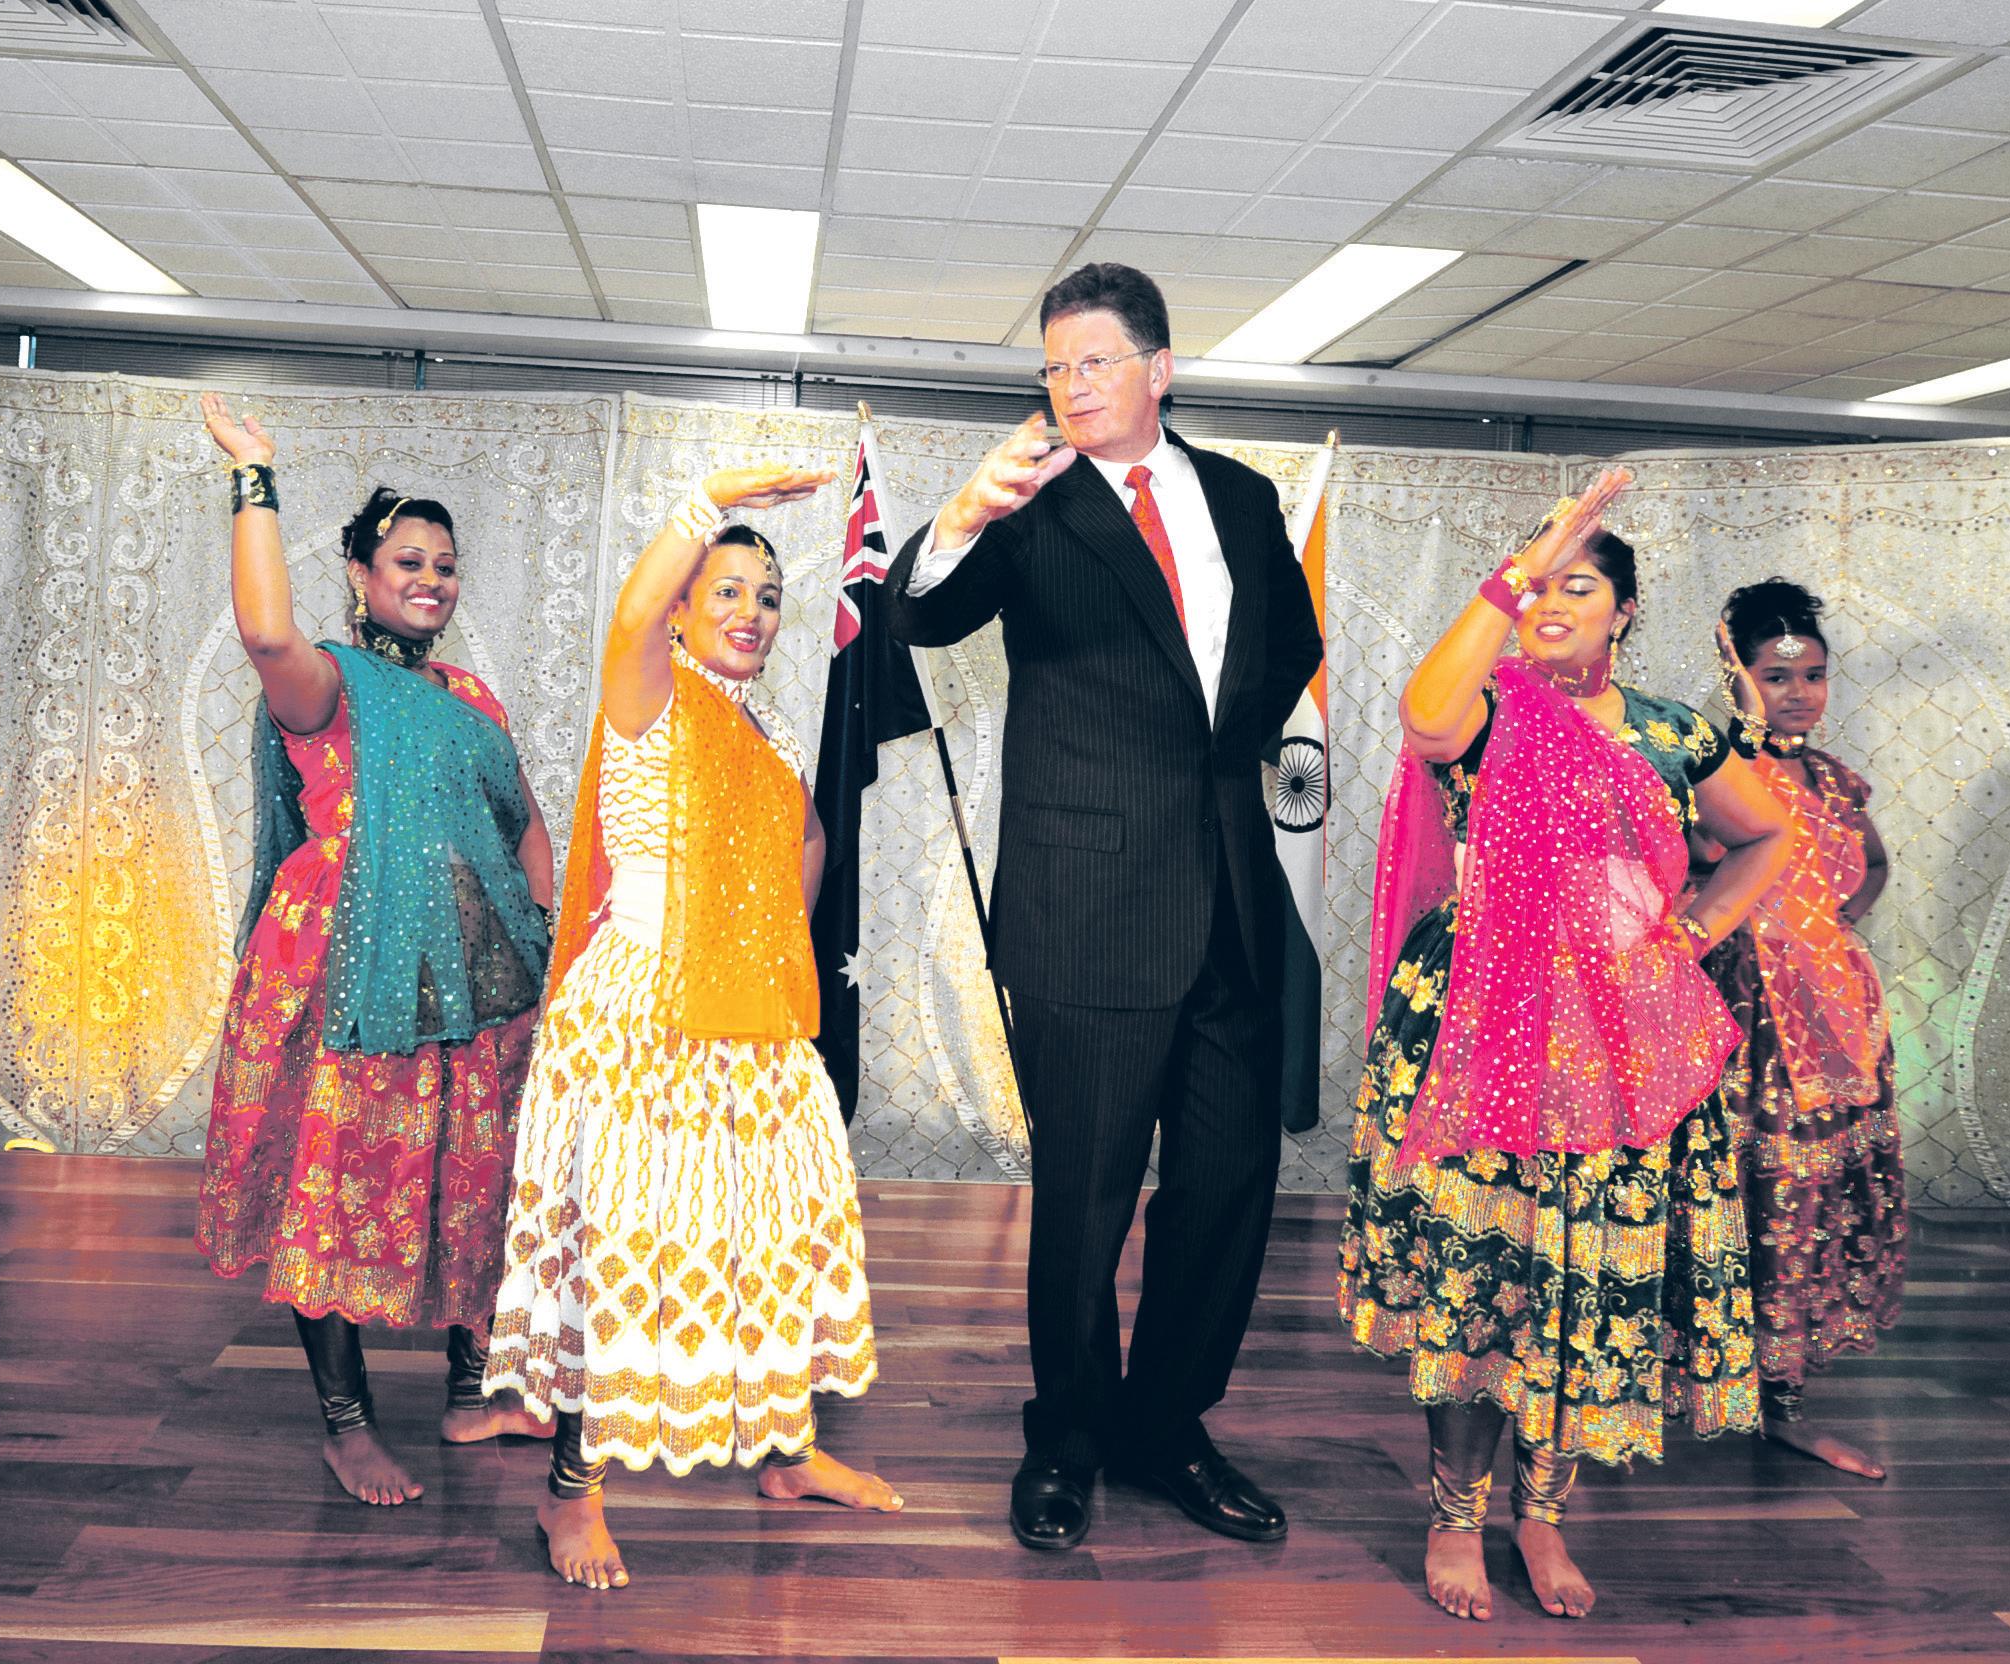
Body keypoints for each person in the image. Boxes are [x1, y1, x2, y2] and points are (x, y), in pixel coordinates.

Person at [885, 262, 1324, 1552]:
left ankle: (1167, 1425)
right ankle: (1069, 1435)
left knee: (1227, 1188)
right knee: (1085, 1199)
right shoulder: (1030, 503)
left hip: (1234, 901)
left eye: (1094, 361)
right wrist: (962, 513)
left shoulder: (1242, 498)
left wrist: (1218, 763)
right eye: (1053, 367)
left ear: (1159, 369)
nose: (1071, 385)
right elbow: (918, 615)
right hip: (1087, 908)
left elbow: (1288, 648)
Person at [1339, 474, 1796, 1621]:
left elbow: (1764, 835)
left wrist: (1692, 931)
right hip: (1478, 1021)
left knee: (1590, 1271)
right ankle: (1455, 1513)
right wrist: (1524, 563)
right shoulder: (1489, 710)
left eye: (1578, 584)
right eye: (1537, 584)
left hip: (1624, 1040)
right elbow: (1425, 717)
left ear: (1624, 610)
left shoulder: (1673, 731)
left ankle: (1542, 1513)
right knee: (1482, 1271)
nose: (1551, 600)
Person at [483, 466, 901, 1593]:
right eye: (726, 589)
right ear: (679, 607)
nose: (751, 612)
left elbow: (804, 852)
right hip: (644, 1019)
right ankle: (570, 1489)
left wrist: (763, 961)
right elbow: (626, 614)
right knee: (632, 1243)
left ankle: (786, 1454)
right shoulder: (650, 695)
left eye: (768, 596)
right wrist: (710, 496)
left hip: (749, 1019)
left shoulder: (766, 732)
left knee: (769, 1237)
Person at [193, 391, 556, 1507]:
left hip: (477, 978)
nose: (431, 580)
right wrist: (254, 474)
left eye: (445, 565)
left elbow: (525, 826)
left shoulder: (471, 697)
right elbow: (265, 633)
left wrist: (542, 944)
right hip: (344, 973)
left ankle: (471, 1388)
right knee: (337, 1181)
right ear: (359, 573)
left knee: (478, 1176)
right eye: (408, 561)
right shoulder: (330, 686)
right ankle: (346, 1425)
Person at [1703, 578, 1904, 1479]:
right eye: (1776, 675)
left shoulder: (1831, 779)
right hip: (1741, 1013)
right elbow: (1692, 860)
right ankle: (1664, 1392)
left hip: (1831, 1019)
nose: (1798, 693)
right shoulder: (1714, 767)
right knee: (1733, 1194)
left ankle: (1783, 1403)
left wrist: (1833, 926)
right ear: (1738, 677)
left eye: (1813, 675)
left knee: (1809, 1205)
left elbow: (1875, 862)